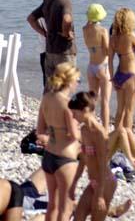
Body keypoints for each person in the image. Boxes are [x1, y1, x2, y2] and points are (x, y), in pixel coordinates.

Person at [36, 62, 81, 221]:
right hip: (65, 159)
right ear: (69, 81)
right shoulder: (68, 105)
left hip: (49, 156)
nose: (78, 84)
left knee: (52, 206)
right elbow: (75, 136)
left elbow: (40, 131)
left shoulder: (47, 98)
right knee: (66, 207)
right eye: (78, 80)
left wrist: (54, 135)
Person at [68, 91, 117, 221]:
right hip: (94, 182)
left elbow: (102, 164)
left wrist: (100, 195)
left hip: (105, 183)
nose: (73, 116)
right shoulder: (84, 130)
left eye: (74, 113)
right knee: (78, 216)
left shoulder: (100, 134)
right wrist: (73, 184)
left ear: (85, 110)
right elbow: (83, 160)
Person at [29, 0, 78, 83]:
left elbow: (31, 18)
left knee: (52, 88)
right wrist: (66, 33)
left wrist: (44, 33)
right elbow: (67, 19)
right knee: (66, 87)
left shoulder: (48, 1)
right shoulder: (65, 1)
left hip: (50, 51)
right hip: (64, 52)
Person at [109, 8, 135, 132]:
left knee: (119, 110)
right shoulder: (130, 35)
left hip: (119, 75)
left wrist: (112, 79)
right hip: (131, 77)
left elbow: (110, 60)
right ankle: (127, 139)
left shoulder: (113, 38)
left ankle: (116, 139)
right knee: (129, 112)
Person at [83, 4, 111, 131]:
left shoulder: (84, 29)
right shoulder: (103, 31)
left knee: (92, 100)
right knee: (105, 101)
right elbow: (107, 51)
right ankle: (105, 130)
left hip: (91, 66)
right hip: (102, 66)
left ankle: (91, 127)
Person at [27, 0, 58, 88]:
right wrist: (46, 33)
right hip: (50, 49)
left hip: (44, 48)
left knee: (48, 83)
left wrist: (43, 33)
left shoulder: (46, 2)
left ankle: (48, 104)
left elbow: (31, 19)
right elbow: (30, 19)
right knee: (53, 84)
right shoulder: (50, 4)